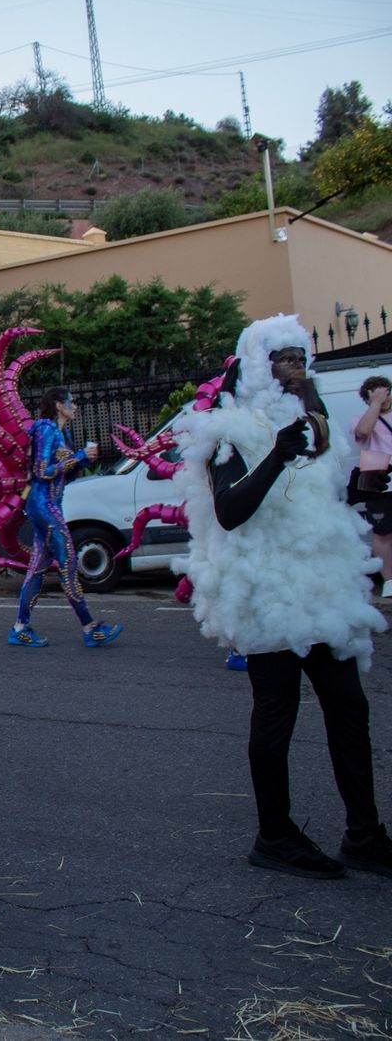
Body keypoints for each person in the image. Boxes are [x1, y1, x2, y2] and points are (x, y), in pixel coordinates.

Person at [174, 314, 390, 879]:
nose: (294, 366)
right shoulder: (227, 430)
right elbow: (230, 510)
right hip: (265, 592)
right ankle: (274, 836)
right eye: (282, 358)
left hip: (320, 590)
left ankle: (364, 834)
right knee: (278, 715)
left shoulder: (316, 424)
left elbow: (329, 496)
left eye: (300, 355)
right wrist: (275, 455)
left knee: (350, 709)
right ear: (256, 365)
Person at [8, 388, 123, 649]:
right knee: (68, 562)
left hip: (49, 505)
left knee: (37, 569)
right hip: (43, 504)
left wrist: (81, 462)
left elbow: (65, 475)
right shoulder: (46, 430)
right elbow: (42, 471)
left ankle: (19, 628)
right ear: (59, 405)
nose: (75, 406)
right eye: (71, 402)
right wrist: (79, 457)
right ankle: (90, 628)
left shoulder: (63, 434)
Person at [353, 375, 392, 598]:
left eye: (383, 391)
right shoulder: (362, 418)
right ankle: (389, 581)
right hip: (377, 479)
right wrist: (375, 404)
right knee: (383, 533)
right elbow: (364, 432)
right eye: (375, 393)